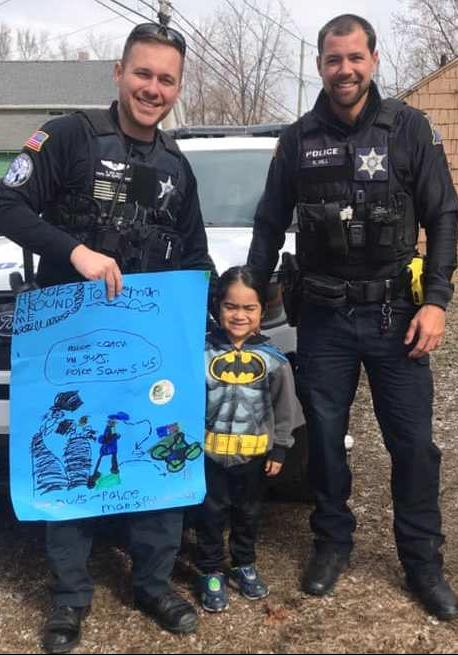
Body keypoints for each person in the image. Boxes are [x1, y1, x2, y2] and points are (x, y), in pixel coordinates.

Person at [0, 20, 216, 652]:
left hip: (146, 349)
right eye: (143, 73)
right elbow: (6, 206)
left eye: (166, 79)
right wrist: (78, 253)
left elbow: (196, 257)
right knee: (67, 459)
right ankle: (69, 596)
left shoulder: (177, 164)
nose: (153, 88)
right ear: (118, 74)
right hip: (71, 339)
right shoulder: (66, 136)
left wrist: (201, 322)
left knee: (155, 450)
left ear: (178, 88)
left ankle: (151, 582)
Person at [248, 14, 458, 620]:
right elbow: (267, 223)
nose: (345, 70)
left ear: (373, 59)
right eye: (333, 59)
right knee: (328, 445)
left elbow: (443, 215)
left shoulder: (410, 128)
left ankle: (423, 563)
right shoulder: (297, 139)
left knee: (415, 445)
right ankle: (331, 544)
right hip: (324, 318)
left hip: (398, 315)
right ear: (320, 64)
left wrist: (438, 301)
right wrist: (253, 294)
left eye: (355, 58)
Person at [194, 265, 300, 612]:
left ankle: (243, 562)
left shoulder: (273, 361)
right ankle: (210, 569)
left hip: (254, 457)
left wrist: (280, 448)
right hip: (209, 456)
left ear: (262, 312)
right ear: (217, 307)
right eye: (231, 306)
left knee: (249, 513)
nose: (239, 315)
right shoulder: (200, 355)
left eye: (248, 308)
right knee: (209, 515)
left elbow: (284, 408)